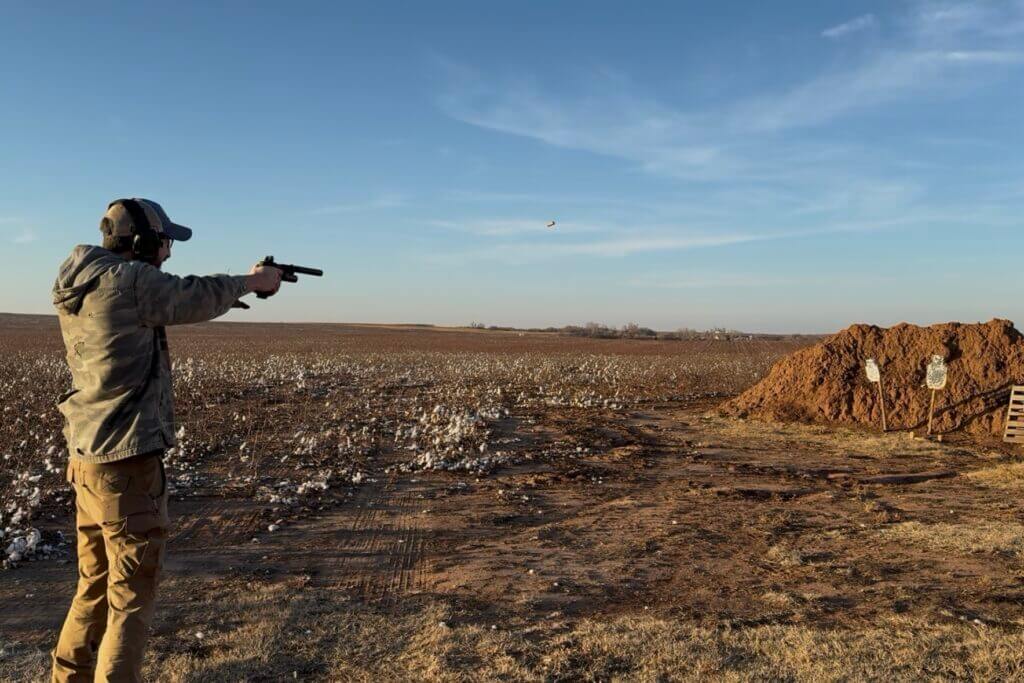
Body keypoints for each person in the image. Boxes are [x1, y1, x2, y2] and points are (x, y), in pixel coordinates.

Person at [49, 198, 282, 682]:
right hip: (127, 465)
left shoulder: (88, 282)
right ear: (144, 242)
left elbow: (171, 301)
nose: (169, 253)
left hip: (88, 459)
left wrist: (230, 295)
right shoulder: (129, 283)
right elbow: (183, 295)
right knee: (130, 599)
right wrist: (253, 281)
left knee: (92, 585)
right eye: (165, 242)